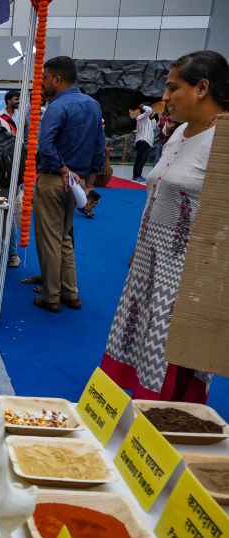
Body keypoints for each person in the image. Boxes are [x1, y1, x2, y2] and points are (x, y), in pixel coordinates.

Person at [102, 50, 228, 403]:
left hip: (186, 275)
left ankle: (164, 431)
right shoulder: (180, 133)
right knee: (138, 342)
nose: (165, 98)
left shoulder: (223, 142)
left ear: (202, 88)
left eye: (173, 88)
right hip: (148, 262)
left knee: (169, 358)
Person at [33, 56, 105, 313]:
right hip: (78, 183)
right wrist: (87, 182)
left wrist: (63, 169)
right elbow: (100, 147)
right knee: (64, 237)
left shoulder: (57, 106)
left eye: (44, 77)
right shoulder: (93, 105)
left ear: (57, 78)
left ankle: (51, 296)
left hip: (55, 178)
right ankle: (70, 291)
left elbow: (46, 145)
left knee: (50, 238)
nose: (42, 82)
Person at [129, 101, 155, 181]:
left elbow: (153, 127)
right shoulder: (141, 117)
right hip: (143, 141)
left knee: (143, 160)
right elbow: (149, 110)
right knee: (139, 159)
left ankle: (138, 175)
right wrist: (142, 106)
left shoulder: (148, 119)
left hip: (148, 142)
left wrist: (153, 118)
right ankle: (136, 176)